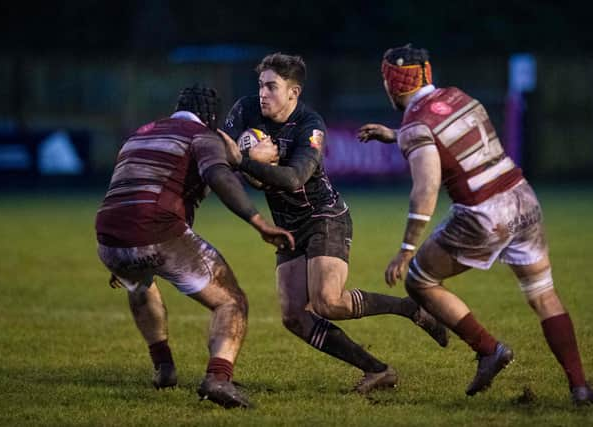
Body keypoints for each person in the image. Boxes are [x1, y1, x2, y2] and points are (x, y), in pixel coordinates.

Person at [357, 44, 593, 406]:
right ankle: (580, 387)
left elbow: (425, 189)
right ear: (427, 72)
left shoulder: (415, 124)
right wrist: (395, 135)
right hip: (523, 199)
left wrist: (406, 250)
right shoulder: (459, 96)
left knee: (419, 279)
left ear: (392, 84)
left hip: (484, 214)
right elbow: (443, 131)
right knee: (544, 295)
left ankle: (490, 350)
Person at [218, 52, 448, 394]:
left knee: (328, 302)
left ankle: (410, 309)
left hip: (324, 217)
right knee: (294, 317)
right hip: (287, 226)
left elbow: (295, 176)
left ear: (294, 92)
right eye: (260, 86)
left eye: (271, 87)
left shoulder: (310, 125)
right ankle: (378, 370)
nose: (262, 93)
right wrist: (245, 158)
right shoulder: (245, 109)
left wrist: (246, 162)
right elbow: (222, 147)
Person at [95, 85, 294, 409]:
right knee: (231, 301)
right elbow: (219, 177)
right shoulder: (201, 134)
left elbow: (124, 186)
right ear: (211, 117)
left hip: (108, 235)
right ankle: (218, 377)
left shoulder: (140, 134)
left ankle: (164, 368)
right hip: (156, 230)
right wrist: (259, 222)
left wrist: (119, 250)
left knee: (141, 284)